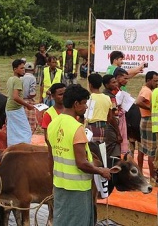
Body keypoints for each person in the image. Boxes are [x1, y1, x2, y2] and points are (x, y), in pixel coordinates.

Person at [46, 84, 112, 226]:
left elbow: (51, 156)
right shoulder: (77, 128)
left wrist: (53, 181)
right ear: (76, 104)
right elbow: (81, 163)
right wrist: (101, 170)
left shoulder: (53, 124)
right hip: (77, 188)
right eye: (84, 103)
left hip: (59, 184)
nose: (86, 107)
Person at [6, 59, 35, 146]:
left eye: (24, 68)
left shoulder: (10, 79)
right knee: (26, 131)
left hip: (9, 108)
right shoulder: (18, 80)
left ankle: (12, 147)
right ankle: (24, 148)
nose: (24, 70)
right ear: (15, 69)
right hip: (16, 109)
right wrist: (27, 105)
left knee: (13, 130)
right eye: (21, 68)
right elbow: (15, 97)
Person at [135, 71, 158, 179]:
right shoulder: (147, 91)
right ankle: (152, 177)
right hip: (149, 120)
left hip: (144, 120)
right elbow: (138, 101)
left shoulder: (144, 89)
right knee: (152, 150)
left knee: (142, 148)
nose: (157, 83)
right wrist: (151, 108)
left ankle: (140, 172)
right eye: (155, 81)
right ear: (149, 80)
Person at [85, 73, 115, 145]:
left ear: (90, 85)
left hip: (90, 127)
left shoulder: (89, 98)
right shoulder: (107, 98)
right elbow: (110, 117)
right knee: (101, 151)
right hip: (103, 128)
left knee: (91, 151)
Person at [22, 62, 38, 132]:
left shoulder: (21, 77)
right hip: (29, 101)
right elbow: (32, 93)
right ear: (33, 70)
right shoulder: (33, 78)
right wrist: (34, 95)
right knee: (31, 124)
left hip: (20, 101)